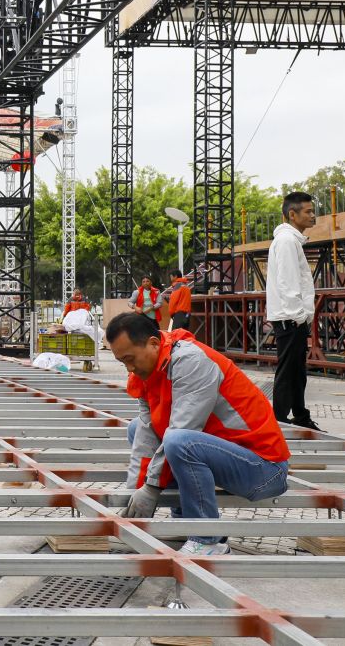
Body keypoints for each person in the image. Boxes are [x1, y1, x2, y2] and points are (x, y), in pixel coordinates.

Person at [107, 312, 290, 556]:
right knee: (137, 428)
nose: (129, 368)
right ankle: (186, 522)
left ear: (153, 343)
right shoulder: (147, 372)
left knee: (179, 441)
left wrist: (151, 488)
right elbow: (146, 436)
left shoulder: (191, 362)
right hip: (226, 458)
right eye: (122, 362)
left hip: (263, 468)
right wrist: (135, 494)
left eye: (130, 359)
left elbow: (183, 429)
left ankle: (207, 538)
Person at [266, 192, 320, 430]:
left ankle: (300, 415)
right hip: (290, 318)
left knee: (296, 371)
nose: (313, 215)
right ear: (292, 214)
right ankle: (278, 422)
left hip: (292, 318)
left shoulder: (290, 240)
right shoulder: (287, 241)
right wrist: (299, 316)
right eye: (308, 211)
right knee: (288, 371)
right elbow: (288, 282)